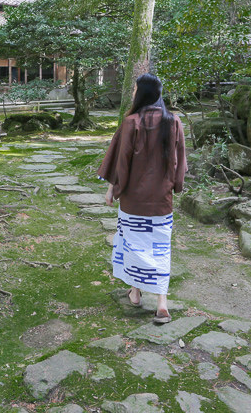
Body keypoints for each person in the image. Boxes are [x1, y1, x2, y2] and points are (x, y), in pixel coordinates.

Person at [97, 73, 187, 324]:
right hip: (161, 202)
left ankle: (135, 294)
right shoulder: (174, 122)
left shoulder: (131, 123)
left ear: (143, 93)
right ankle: (161, 303)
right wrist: (176, 186)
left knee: (132, 245)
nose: (134, 93)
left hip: (133, 202)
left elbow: (122, 162)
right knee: (160, 248)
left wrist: (113, 190)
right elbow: (179, 161)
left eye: (136, 89)